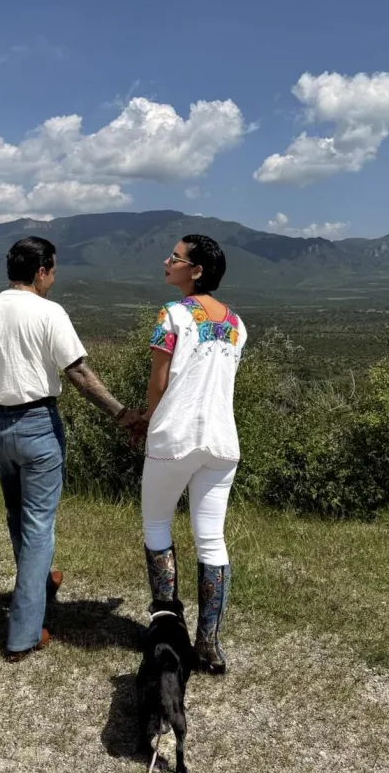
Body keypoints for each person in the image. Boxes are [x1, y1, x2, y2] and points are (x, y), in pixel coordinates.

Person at [0, 236, 141, 662]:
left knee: (16, 514)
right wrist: (121, 414)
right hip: (38, 424)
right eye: (54, 271)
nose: (54, 279)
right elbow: (78, 373)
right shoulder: (49, 312)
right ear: (41, 271)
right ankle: (23, 634)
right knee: (39, 523)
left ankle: (39, 582)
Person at [138, 234, 247, 674]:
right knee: (211, 539)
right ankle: (209, 645)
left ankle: (167, 627)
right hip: (222, 441)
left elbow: (159, 383)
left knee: (157, 524)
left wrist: (146, 421)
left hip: (175, 436)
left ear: (196, 270)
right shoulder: (238, 324)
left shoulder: (171, 316)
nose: (167, 261)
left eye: (175, 258)